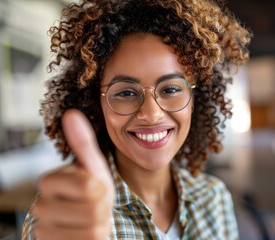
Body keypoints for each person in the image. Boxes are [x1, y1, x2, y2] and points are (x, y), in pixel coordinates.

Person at [22, 0, 251, 239]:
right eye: (125, 93)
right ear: (96, 104)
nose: (151, 114)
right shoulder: (68, 217)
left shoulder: (214, 198)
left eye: (171, 89)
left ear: (195, 98)